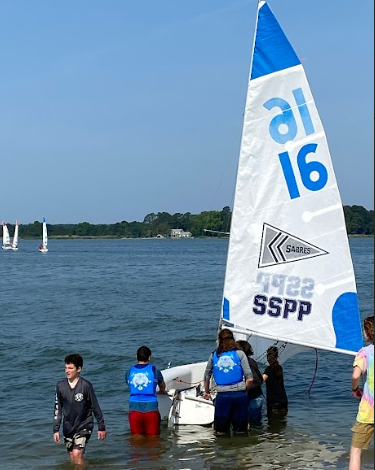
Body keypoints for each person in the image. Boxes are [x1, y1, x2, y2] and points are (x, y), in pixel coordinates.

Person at [53, 354, 107, 466]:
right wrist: (56, 429)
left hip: (84, 425)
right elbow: (58, 408)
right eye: (66, 368)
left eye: (70, 368)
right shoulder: (60, 386)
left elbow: (95, 406)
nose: (67, 371)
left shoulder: (86, 386)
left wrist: (101, 426)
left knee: (77, 453)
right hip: (68, 427)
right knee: (72, 456)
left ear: (79, 369)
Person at [203, 329, 253, 435]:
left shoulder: (213, 356)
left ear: (219, 340)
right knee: (241, 432)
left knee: (221, 432)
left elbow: (207, 376)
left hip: (223, 396)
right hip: (240, 395)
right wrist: (244, 389)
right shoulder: (240, 354)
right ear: (233, 339)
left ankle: (223, 450)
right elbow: (250, 378)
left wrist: (206, 391)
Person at [349, 315, 374, 470]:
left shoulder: (364, 352)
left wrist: (355, 389)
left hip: (368, 411)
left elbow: (356, 375)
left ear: (367, 332)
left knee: (356, 452)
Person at [125, 345, 166, 435]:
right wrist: (162, 391)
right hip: (151, 407)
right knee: (153, 439)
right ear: (149, 357)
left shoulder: (129, 371)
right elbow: (162, 385)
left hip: (134, 406)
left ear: (136, 357)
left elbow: (129, 384)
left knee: (136, 438)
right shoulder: (154, 370)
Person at [237, 340, 264, 423]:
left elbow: (252, 380)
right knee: (256, 424)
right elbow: (260, 379)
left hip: (249, 396)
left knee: (246, 423)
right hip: (257, 395)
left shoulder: (240, 363)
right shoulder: (253, 362)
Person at [262, 346, 288, 418]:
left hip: (274, 402)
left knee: (273, 424)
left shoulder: (269, 370)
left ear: (268, 357)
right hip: (283, 400)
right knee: (281, 422)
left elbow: (261, 381)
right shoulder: (279, 368)